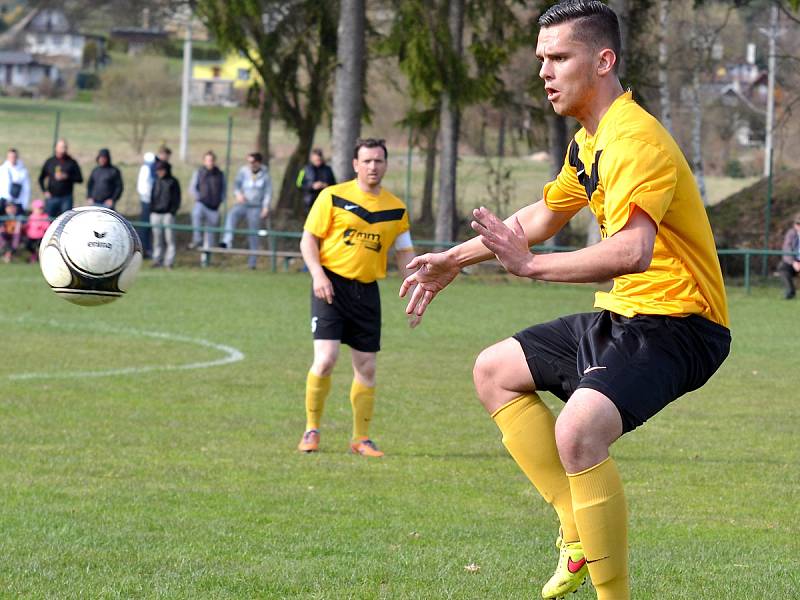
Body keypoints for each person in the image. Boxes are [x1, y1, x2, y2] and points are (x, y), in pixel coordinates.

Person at [400, 3, 731, 599]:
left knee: (578, 432)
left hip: (682, 323)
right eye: (541, 60)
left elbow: (632, 249)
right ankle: (576, 528)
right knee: (494, 370)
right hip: (627, 313)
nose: (545, 72)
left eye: (558, 58)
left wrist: (529, 267)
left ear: (604, 61)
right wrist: (456, 257)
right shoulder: (590, 142)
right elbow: (545, 214)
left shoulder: (635, 140)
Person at [298, 138, 419, 458]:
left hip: (366, 292)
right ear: (355, 164)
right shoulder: (332, 197)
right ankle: (311, 429)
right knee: (325, 360)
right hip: (330, 286)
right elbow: (308, 239)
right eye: (366, 161)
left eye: (378, 161)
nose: (373, 167)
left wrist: (416, 293)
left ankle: (360, 438)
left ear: (386, 164)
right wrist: (318, 275)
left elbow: (404, 253)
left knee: (366, 368)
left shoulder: (396, 209)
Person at [221, 152, 272, 269]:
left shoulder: (265, 174)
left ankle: (252, 262)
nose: (250, 164)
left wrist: (265, 207)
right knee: (232, 214)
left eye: (253, 162)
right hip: (243, 204)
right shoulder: (243, 171)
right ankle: (227, 241)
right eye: (249, 162)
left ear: (258, 163)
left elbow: (268, 192)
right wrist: (238, 195)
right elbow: (236, 185)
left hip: (256, 207)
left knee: (253, 233)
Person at [188, 150, 226, 266]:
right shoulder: (199, 172)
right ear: (204, 161)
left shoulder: (220, 174)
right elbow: (192, 188)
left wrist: (220, 200)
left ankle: (205, 262)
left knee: (210, 237)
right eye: (208, 160)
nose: (210, 162)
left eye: (212, 160)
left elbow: (224, 190)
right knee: (196, 213)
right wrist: (199, 197)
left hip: (214, 208)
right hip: (202, 203)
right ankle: (197, 239)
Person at [38, 139, 83, 218]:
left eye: (64, 147)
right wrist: (45, 191)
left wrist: (67, 176)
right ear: (56, 148)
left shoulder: (71, 162)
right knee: (48, 220)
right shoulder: (50, 162)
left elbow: (79, 179)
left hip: (66, 198)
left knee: (65, 220)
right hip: (51, 197)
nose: (62, 150)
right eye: (60, 147)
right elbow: (41, 178)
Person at [149, 160, 181, 269]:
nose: (159, 172)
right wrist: (152, 210)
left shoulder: (173, 182)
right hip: (156, 214)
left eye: (161, 170)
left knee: (169, 239)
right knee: (157, 239)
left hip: (168, 214)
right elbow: (152, 196)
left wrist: (172, 211)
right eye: (158, 170)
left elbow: (177, 198)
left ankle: (169, 261)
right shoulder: (156, 181)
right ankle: (157, 259)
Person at [300, 148, 336, 213]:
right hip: (309, 202)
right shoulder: (304, 169)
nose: (318, 161)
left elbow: (334, 184)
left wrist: (326, 185)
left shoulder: (328, 169)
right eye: (316, 160)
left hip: (325, 202)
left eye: (319, 160)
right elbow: (299, 184)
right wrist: (312, 186)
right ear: (312, 159)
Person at [136, 151, 157, 258]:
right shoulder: (146, 169)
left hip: (152, 201)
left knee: (150, 226)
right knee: (145, 225)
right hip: (147, 201)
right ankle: (144, 248)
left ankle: (149, 248)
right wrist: (148, 198)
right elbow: (143, 187)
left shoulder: (152, 169)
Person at [777, 212, 800, 299]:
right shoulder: (791, 233)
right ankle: (790, 292)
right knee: (783, 268)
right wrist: (793, 262)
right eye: (797, 223)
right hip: (794, 261)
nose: (798, 226)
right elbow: (787, 249)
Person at [0, 148, 31, 213]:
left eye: (14, 157)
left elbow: (26, 189)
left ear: (17, 157)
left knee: (18, 222)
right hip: (3, 201)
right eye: (10, 157)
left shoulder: (23, 171)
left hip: (18, 202)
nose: (12, 158)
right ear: (7, 157)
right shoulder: (2, 169)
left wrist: (24, 204)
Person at [24, 198, 50, 263]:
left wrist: (41, 226)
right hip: (31, 236)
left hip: (40, 237)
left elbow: (47, 226)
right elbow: (27, 226)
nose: (40, 210)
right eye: (38, 208)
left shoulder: (45, 216)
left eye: (41, 208)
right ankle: (33, 255)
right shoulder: (31, 217)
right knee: (28, 246)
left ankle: (38, 258)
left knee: (41, 247)